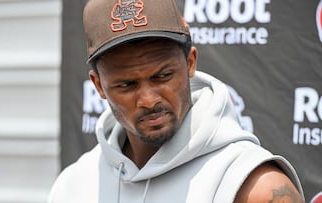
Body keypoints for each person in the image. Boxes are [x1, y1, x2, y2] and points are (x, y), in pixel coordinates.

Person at [49, 0, 305, 202]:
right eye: (126, 84)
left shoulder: (254, 187)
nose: (148, 100)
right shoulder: (73, 185)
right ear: (98, 86)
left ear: (190, 62)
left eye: (163, 76)